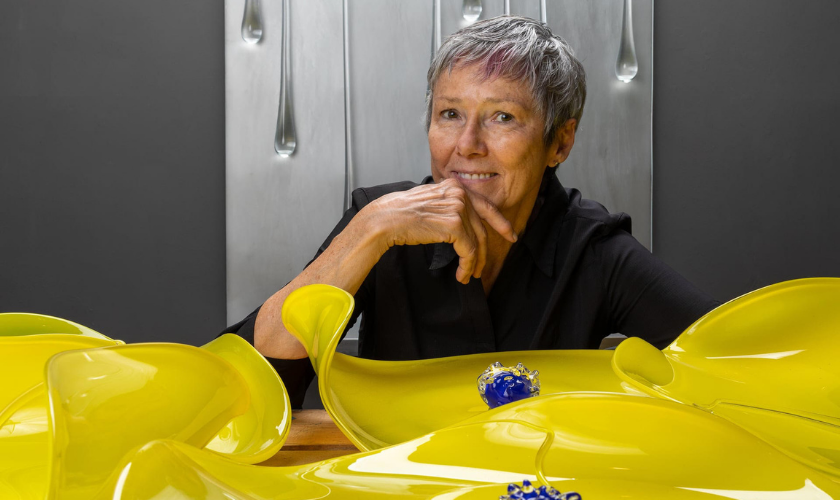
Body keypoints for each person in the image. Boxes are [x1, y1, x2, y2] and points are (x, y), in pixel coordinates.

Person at [221, 16, 719, 407]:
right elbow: (256, 385)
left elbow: (734, 368)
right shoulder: (379, 220)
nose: (466, 146)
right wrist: (371, 230)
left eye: (503, 117)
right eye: (450, 114)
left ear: (560, 142)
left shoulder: (593, 248)